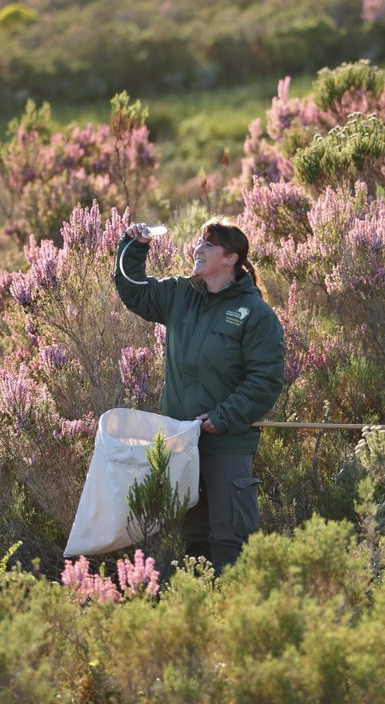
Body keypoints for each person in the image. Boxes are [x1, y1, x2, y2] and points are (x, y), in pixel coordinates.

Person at [114, 218, 284, 574]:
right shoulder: (179, 294)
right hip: (179, 441)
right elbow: (133, 289)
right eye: (198, 243)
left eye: (208, 245)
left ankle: (236, 613)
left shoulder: (256, 314)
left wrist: (222, 417)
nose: (198, 249)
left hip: (228, 444)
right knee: (190, 538)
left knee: (232, 538)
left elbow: (265, 380)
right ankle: (197, 616)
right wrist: (134, 245)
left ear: (231, 258)